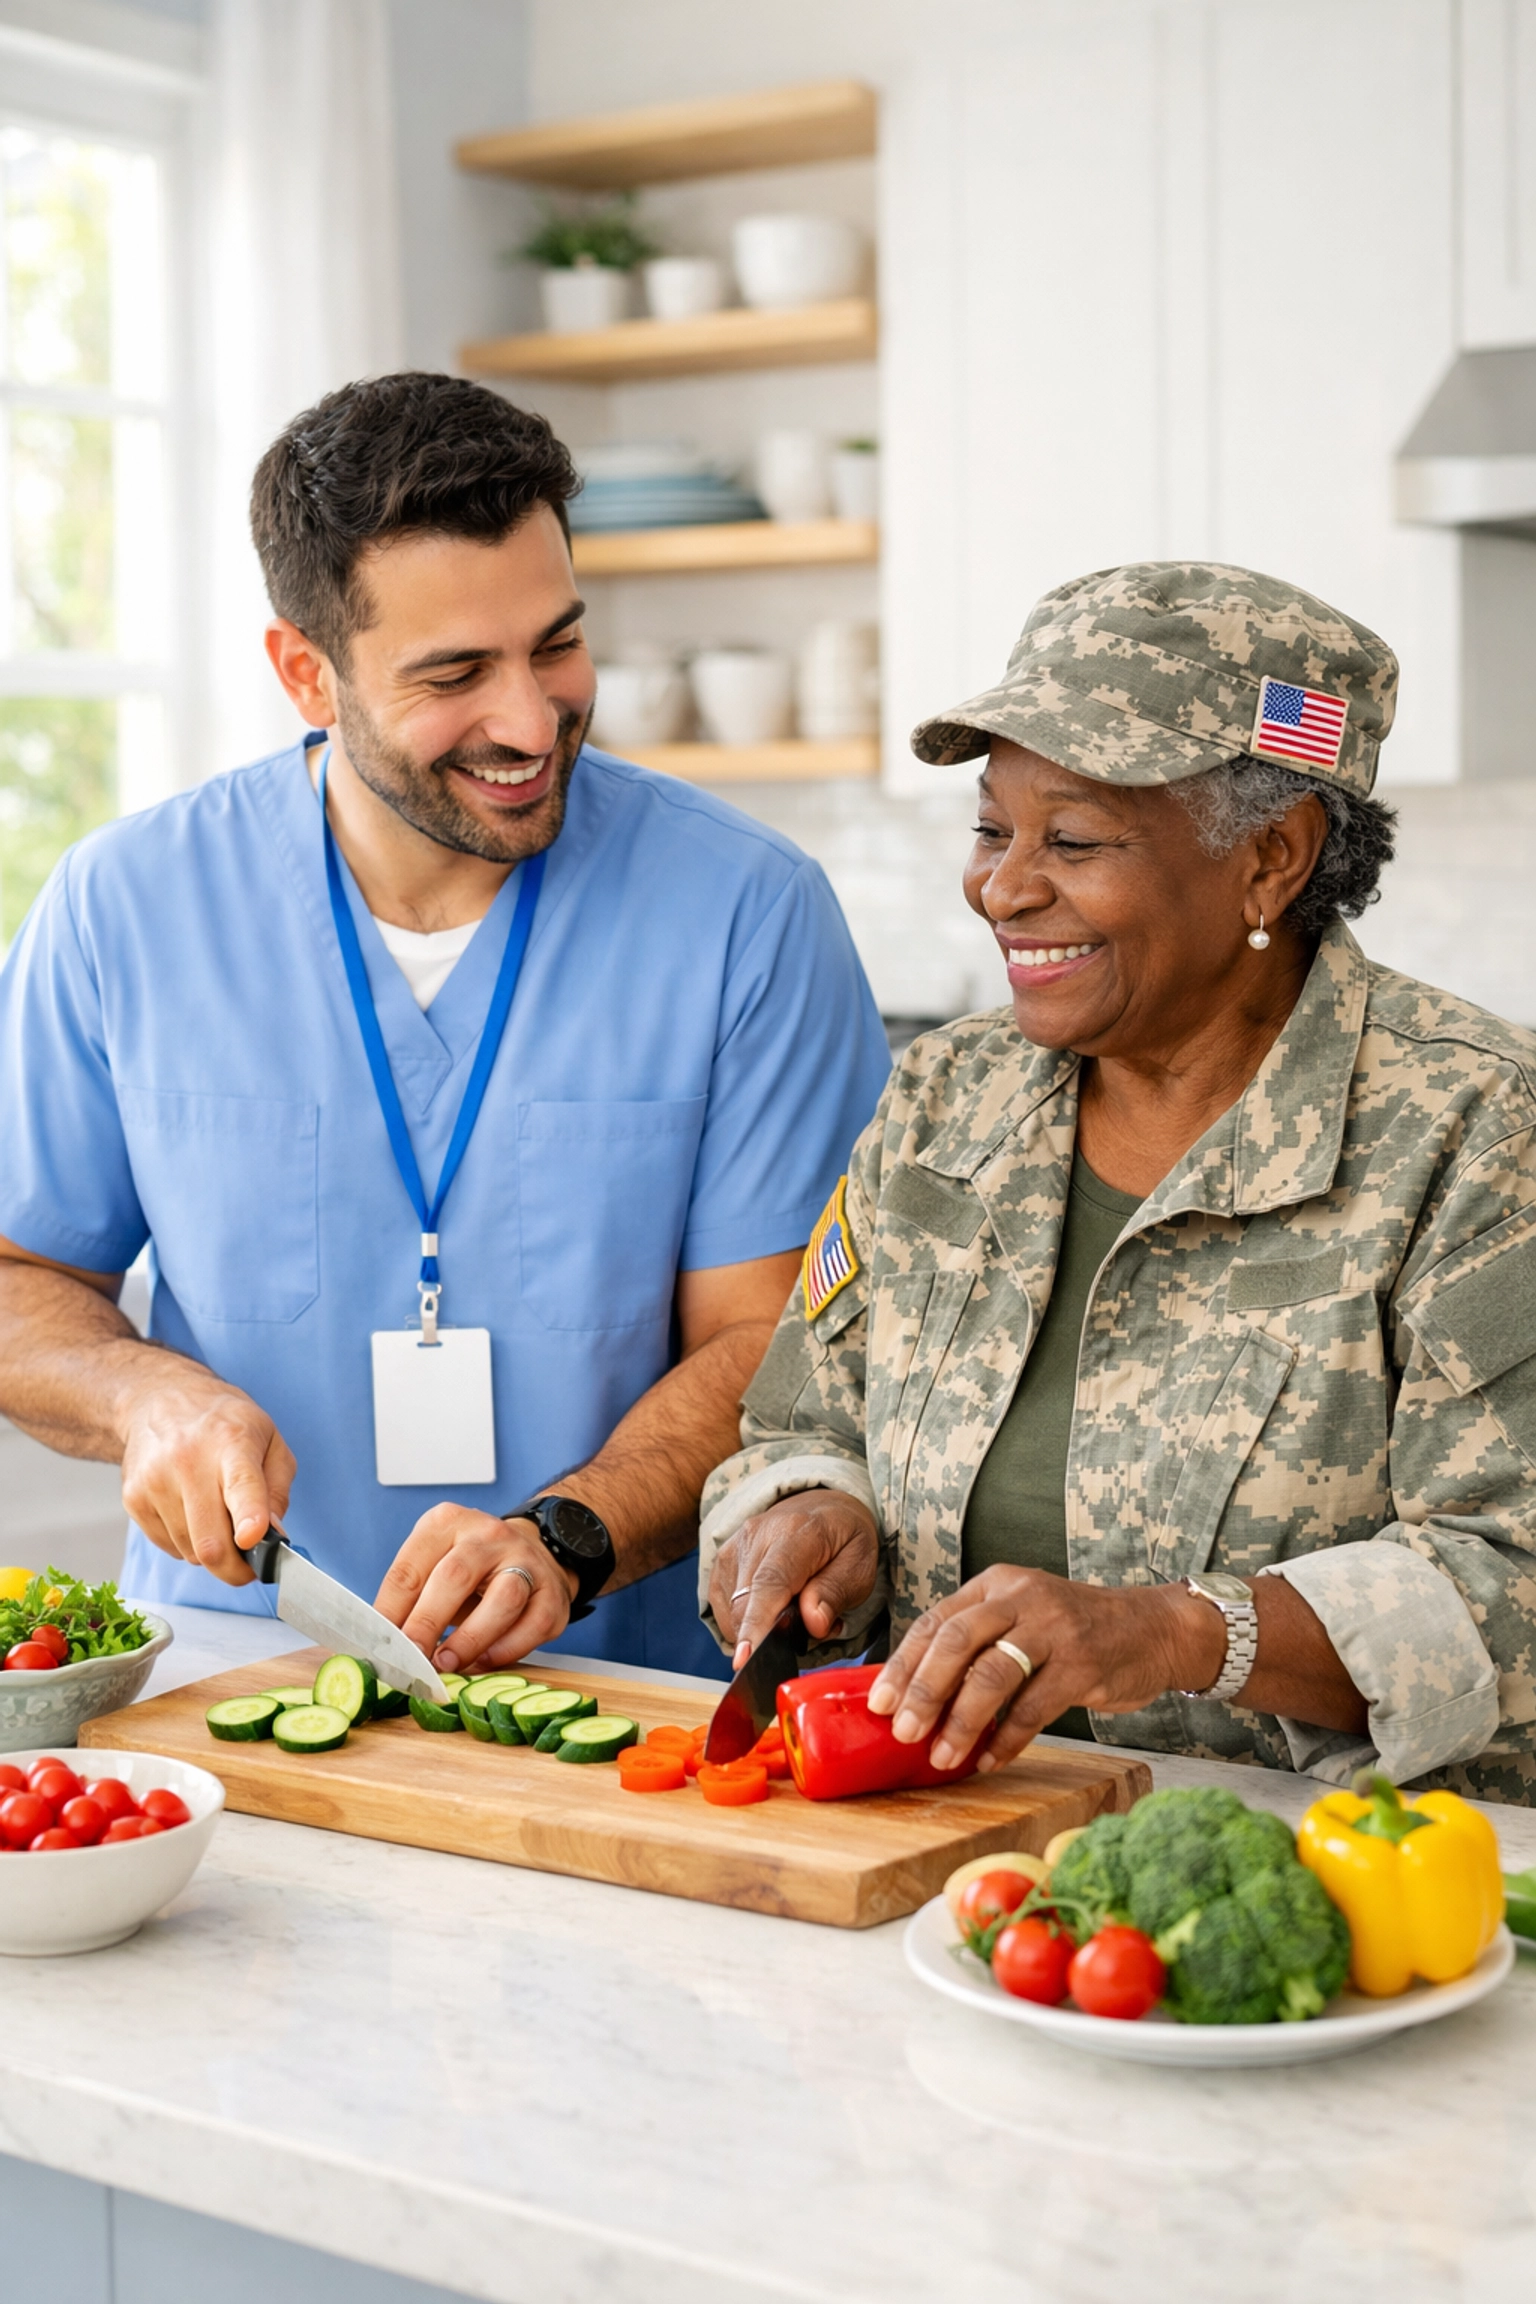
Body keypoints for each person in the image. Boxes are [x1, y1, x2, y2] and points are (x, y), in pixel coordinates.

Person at [0, 373, 890, 1681]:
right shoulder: (121, 906)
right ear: (306, 672)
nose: (531, 721)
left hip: (627, 1680)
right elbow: (25, 1281)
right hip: (230, 1662)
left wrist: (568, 1537)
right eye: (456, 673)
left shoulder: (750, 913)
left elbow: (781, 1345)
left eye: (557, 644)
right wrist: (147, 1397)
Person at [702, 560, 1536, 1801]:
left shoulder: (1475, 1127)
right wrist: (810, 1511)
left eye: (1075, 840)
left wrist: (1173, 1632)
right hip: (950, 1857)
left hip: (1334, 1898)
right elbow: (801, 1421)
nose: (1004, 887)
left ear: (1271, 860)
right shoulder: (945, 1098)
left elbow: (1512, 1579)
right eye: (993, 828)